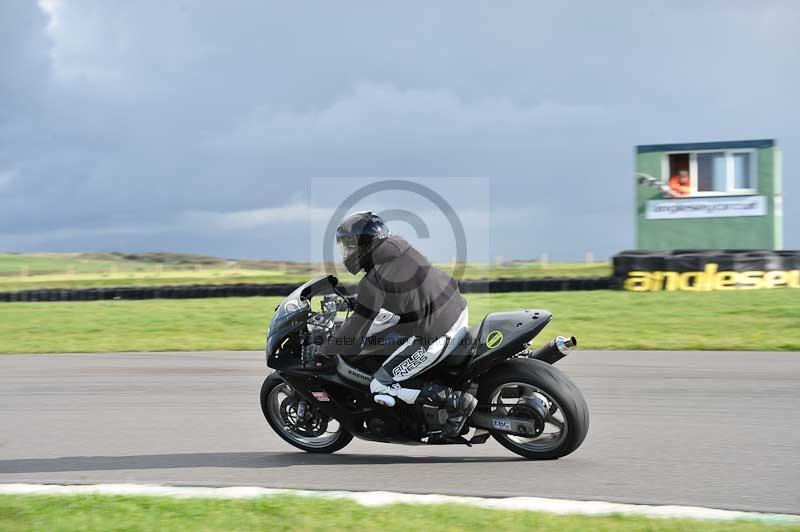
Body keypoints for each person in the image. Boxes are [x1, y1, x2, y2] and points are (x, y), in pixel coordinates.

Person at [323, 211, 476, 437]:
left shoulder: (372, 281)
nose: (346, 252)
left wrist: (327, 349)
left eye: (349, 245)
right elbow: (403, 293)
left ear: (364, 244)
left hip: (437, 333)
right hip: (456, 310)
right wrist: (358, 304)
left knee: (380, 384)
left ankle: (454, 401)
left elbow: (356, 330)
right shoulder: (401, 250)